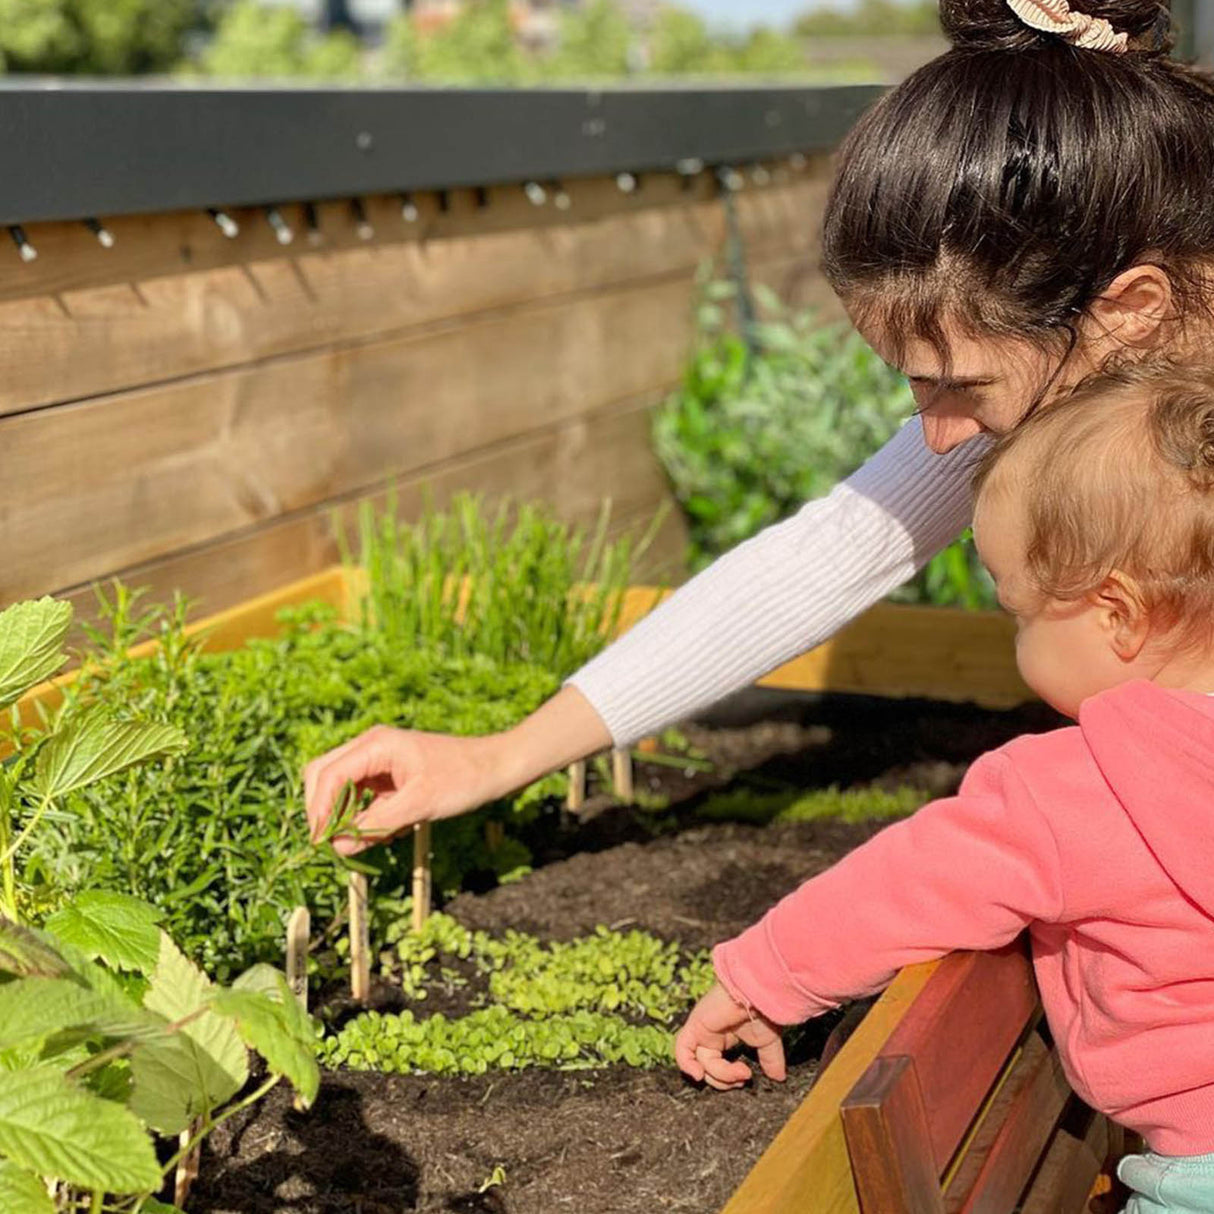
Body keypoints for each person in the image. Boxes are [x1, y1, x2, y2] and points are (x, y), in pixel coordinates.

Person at [304, 0, 1214, 855]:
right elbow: (833, 553)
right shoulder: (1074, 374)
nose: (939, 437)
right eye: (915, 387)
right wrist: (498, 756)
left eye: (960, 387)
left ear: (1129, 310)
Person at [676, 360, 1214, 1211]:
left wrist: (762, 978)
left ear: (1116, 614)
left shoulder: (1074, 788)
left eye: (1021, 614)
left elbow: (908, 885)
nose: (1017, 644)